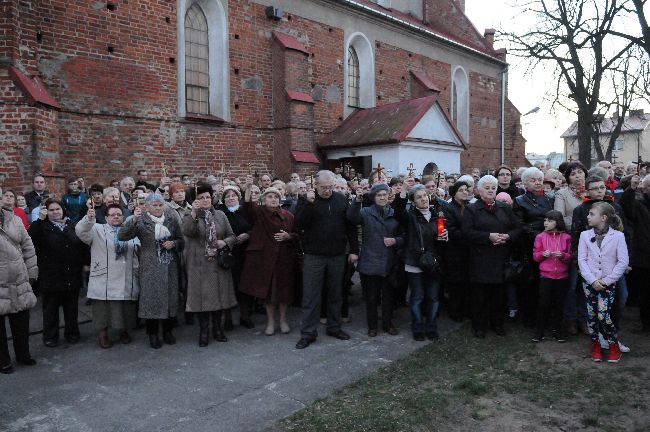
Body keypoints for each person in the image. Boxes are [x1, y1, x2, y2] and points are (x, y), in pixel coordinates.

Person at [294, 170, 359, 349]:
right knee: (310, 296)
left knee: (335, 293)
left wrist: (354, 249)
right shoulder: (306, 200)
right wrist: (308, 204)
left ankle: (334, 327)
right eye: (323, 187)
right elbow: (299, 224)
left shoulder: (341, 199)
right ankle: (308, 333)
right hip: (314, 255)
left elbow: (351, 226)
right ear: (316, 185)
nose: (327, 191)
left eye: (330, 187)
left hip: (337, 255)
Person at [118, 193, 184, 349]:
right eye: (154, 205)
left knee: (169, 298)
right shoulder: (141, 220)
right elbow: (122, 235)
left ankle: (168, 331)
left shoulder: (171, 218)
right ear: (146, 206)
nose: (158, 207)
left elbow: (182, 240)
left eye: (160, 204)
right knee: (151, 300)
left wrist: (174, 243)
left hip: (169, 266)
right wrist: (133, 219)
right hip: (150, 267)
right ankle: (152, 333)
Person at [463, 175, 522, 338]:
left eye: (493, 188)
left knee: (498, 295)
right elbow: (467, 232)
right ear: (479, 190)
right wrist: (488, 236)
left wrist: (508, 236)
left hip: (500, 257)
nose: (490, 191)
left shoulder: (504, 208)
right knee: (480, 295)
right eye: (487, 188)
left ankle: (497, 324)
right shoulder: (471, 209)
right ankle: (479, 326)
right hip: (480, 258)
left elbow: (517, 228)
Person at [75, 204, 140, 348]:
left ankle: (123, 331)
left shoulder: (130, 230)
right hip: (105, 278)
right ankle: (103, 334)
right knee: (102, 309)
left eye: (119, 214)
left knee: (125, 308)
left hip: (126, 276)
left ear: (123, 216)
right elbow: (80, 231)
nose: (116, 216)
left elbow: (137, 251)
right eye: (112, 214)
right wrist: (89, 218)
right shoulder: (97, 229)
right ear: (106, 218)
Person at [240, 181, 298, 336]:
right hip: (265, 260)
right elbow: (247, 207)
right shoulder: (259, 213)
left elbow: (298, 235)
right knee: (268, 294)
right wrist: (247, 190)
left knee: (284, 292)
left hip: (284, 260)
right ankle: (271, 322)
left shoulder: (289, 216)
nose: (273, 199)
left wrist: (288, 236)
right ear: (264, 200)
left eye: (276, 197)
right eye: (270, 196)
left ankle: (283, 320)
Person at [182, 185, 237, 347]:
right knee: (202, 300)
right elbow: (188, 231)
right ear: (195, 200)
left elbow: (232, 235)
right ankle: (204, 331)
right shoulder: (189, 216)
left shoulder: (220, 215)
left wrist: (224, 242)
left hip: (218, 263)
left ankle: (218, 329)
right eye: (201, 198)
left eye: (207, 197)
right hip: (199, 265)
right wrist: (193, 213)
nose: (205, 200)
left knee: (218, 298)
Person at [348, 183, 403, 338]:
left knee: (388, 297)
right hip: (370, 262)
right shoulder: (365, 212)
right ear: (373, 197)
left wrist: (396, 240)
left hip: (389, 262)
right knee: (371, 297)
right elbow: (352, 217)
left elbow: (403, 235)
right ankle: (372, 325)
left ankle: (387, 323)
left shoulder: (394, 213)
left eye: (385, 194)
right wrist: (356, 200)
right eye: (379, 195)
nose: (382, 197)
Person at [394, 184, 447, 340]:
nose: (423, 199)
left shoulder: (437, 215)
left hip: (433, 262)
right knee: (417, 297)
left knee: (433, 297)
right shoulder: (410, 217)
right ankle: (417, 327)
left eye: (425, 195)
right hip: (415, 262)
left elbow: (440, 237)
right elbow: (398, 211)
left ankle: (431, 327)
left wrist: (445, 236)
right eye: (419, 197)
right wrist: (403, 190)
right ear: (413, 201)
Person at [28, 199, 85, 347]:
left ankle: (72, 333)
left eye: (58, 209)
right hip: (51, 275)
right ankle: (50, 336)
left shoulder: (71, 225)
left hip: (71, 273)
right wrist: (40, 220)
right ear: (46, 212)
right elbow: (32, 237)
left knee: (71, 308)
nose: (55, 212)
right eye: (51, 210)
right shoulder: (41, 227)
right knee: (50, 310)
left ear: (63, 210)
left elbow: (80, 245)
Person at [578, 202, 628, 363]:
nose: (588, 216)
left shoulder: (618, 236)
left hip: (607, 283)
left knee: (603, 314)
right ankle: (595, 344)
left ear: (603, 218)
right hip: (589, 282)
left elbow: (622, 262)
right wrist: (592, 280)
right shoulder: (585, 235)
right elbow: (582, 260)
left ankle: (613, 344)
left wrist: (606, 281)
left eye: (592, 214)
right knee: (592, 315)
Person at [513, 167, 554, 328]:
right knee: (531, 283)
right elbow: (519, 224)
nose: (537, 183)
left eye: (539, 179)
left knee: (547, 282)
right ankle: (529, 317)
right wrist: (539, 236)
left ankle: (546, 316)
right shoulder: (519, 201)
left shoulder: (550, 198)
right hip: (530, 246)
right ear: (525, 183)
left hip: (550, 244)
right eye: (533, 180)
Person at [0, 202, 38, 374]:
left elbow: (28, 247)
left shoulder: (14, 220)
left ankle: (23, 355)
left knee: (21, 321)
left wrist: (32, 272)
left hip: (19, 279)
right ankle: (3, 361)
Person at [216, 186, 254, 329]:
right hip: (226, 253)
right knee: (227, 287)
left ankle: (245, 316)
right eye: (227, 196)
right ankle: (227, 318)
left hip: (244, 253)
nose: (231, 198)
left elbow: (254, 227)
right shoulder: (220, 213)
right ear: (223, 199)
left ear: (238, 198)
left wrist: (248, 234)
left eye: (233, 195)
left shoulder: (245, 211)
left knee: (244, 286)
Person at [531, 210, 571, 343]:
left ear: (557, 222)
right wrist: (543, 254)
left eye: (549, 220)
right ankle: (539, 331)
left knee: (559, 304)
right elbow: (535, 256)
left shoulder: (566, 237)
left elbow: (570, 256)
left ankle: (558, 331)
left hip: (562, 277)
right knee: (543, 304)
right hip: (546, 276)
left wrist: (564, 256)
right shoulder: (540, 237)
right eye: (545, 220)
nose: (545, 223)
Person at [619, 174, 650, 334]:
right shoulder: (638, 202)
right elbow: (625, 205)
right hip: (643, 253)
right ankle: (646, 323)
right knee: (645, 292)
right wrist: (631, 188)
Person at [444, 181, 471, 322]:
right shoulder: (449, 208)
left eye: (466, 189)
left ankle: (466, 309)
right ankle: (455, 311)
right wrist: (468, 235)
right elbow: (450, 229)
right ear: (454, 193)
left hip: (468, 251)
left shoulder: (469, 207)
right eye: (461, 190)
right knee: (456, 283)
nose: (465, 192)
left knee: (466, 282)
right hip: (455, 251)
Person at [554, 162, 588, 228]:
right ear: (568, 178)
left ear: (585, 173)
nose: (577, 176)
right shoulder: (561, 194)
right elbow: (559, 217)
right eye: (573, 174)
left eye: (580, 172)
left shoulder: (592, 190)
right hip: (573, 230)